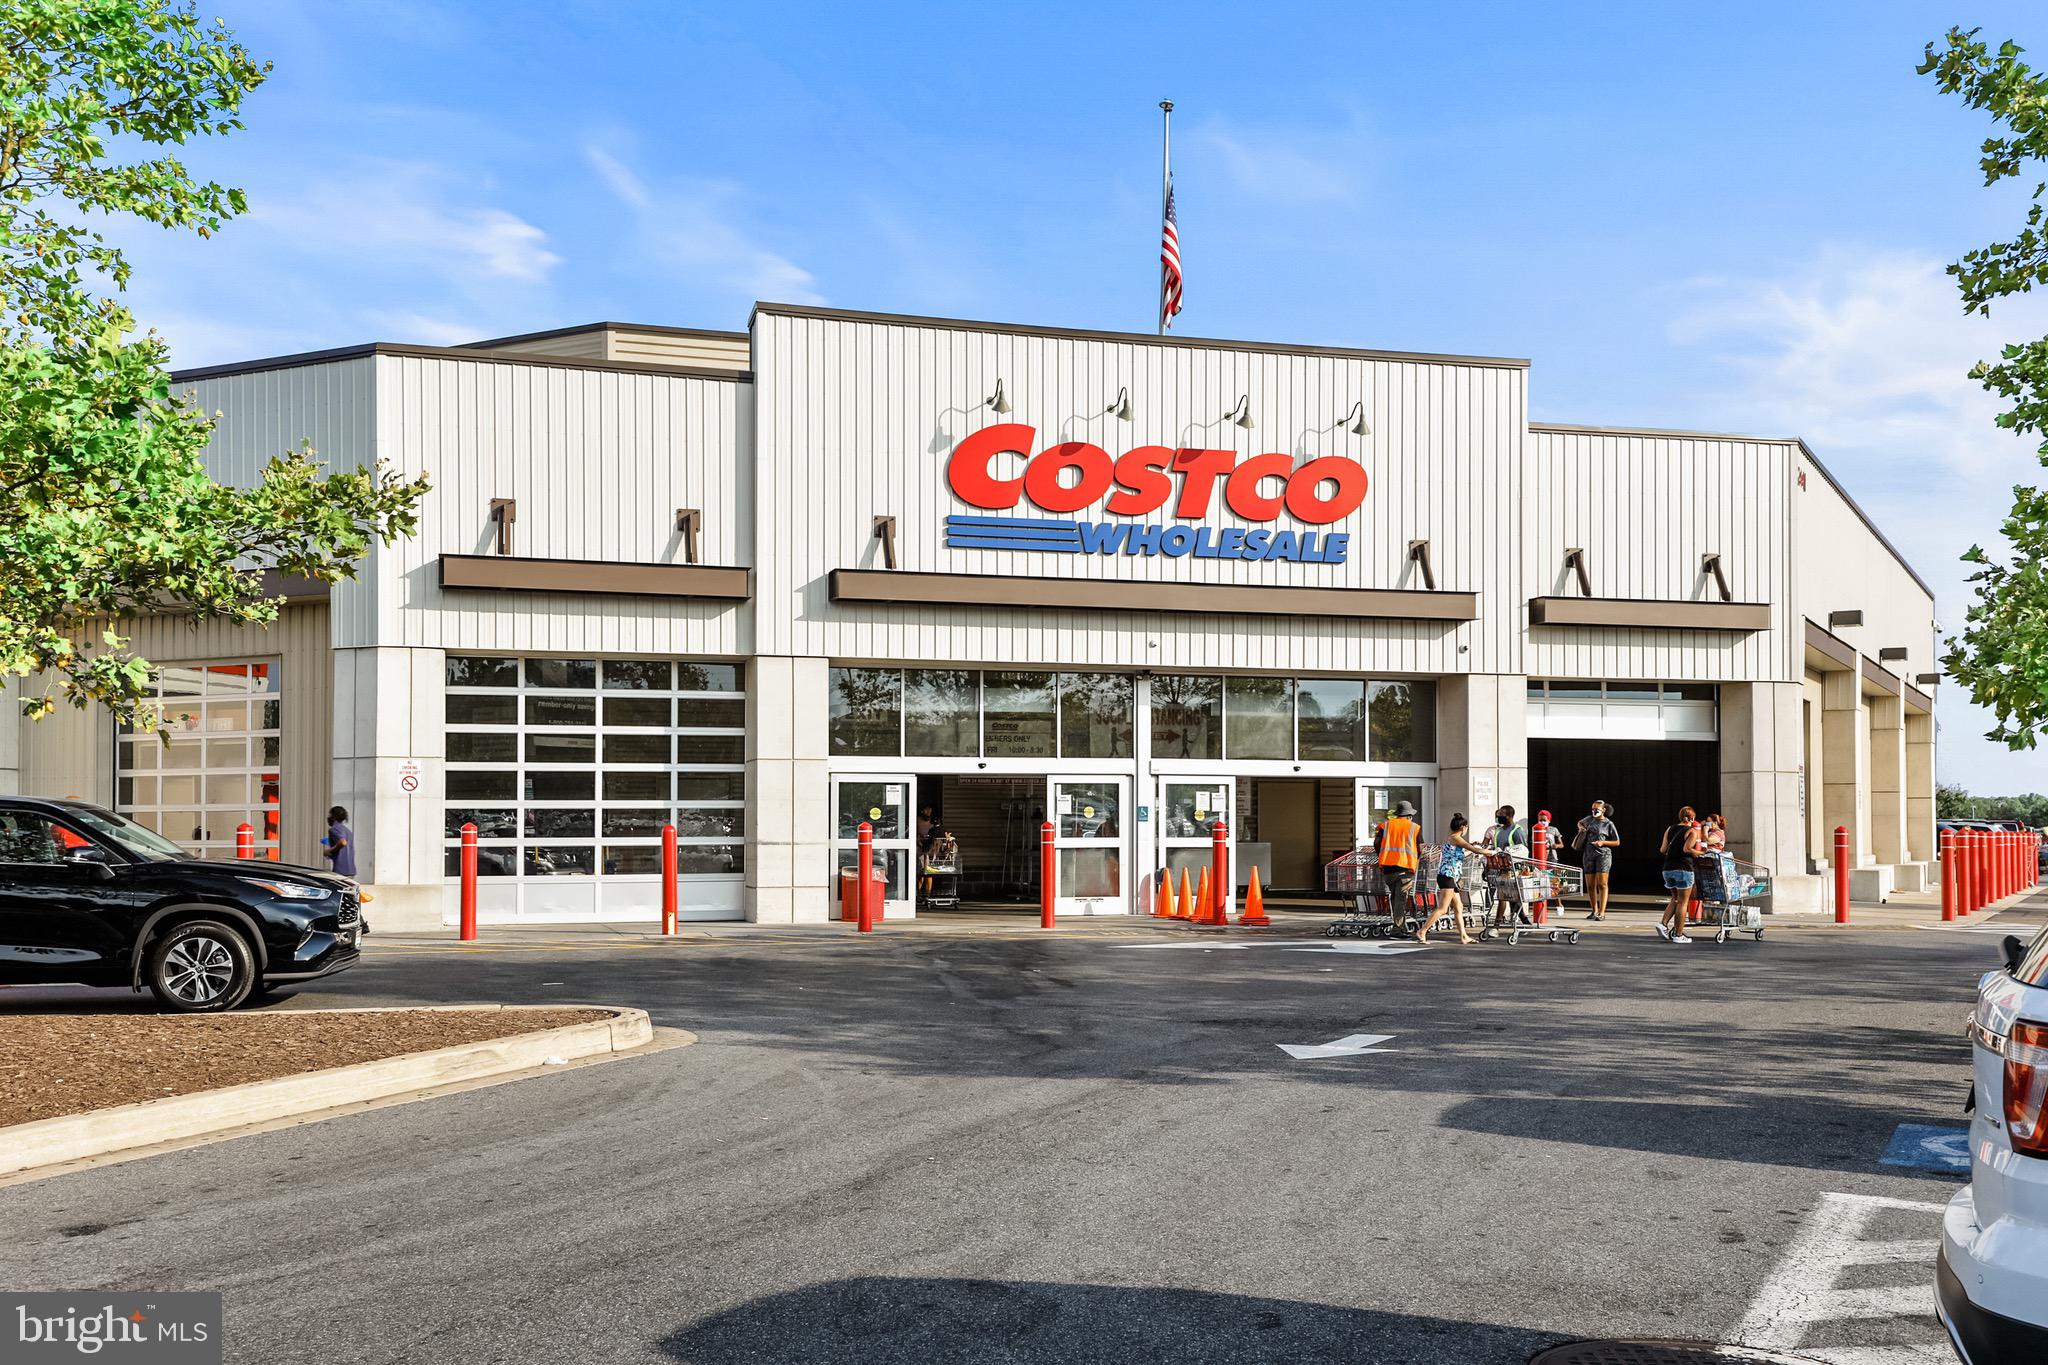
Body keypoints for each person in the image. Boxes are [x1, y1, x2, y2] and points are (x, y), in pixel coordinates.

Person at [1416, 813, 1485, 945]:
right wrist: (1490, 852)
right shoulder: (1455, 838)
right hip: (1447, 876)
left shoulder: (1453, 839)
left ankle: (1464, 936)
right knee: (1442, 908)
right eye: (1467, 827)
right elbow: (1474, 850)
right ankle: (1422, 931)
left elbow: (1464, 853)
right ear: (1463, 827)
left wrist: (1475, 849)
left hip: (1451, 877)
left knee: (1459, 907)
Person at [1657, 805, 1702, 943]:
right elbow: (1687, 849)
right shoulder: (1692, 831)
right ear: (1692, 818)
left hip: (1667, 869)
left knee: (1675, 899)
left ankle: (1663, 924)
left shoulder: (1669, 829)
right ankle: (1678, 934)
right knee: (1683, 902)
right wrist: (1701, 853)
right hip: (1683, 868)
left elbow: (1663, 849)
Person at [1376, 800, 1422, 931]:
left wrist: (1382, 856)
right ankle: (1398, 929)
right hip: (1405, 869)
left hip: (1388, 869)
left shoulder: (1385, 825)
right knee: (1400, 900)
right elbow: (1421, 848)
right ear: (1409, 815)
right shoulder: (1414, 827)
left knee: (1395, 898)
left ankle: (1398, 925)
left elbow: (1377, 843)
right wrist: (1416, 859)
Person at [1574, 799, 1620, 920]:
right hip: (1588, 855)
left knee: (1602, 884)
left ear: (1603, 810)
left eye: (1597, 809)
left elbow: (1617, 841)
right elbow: (1579, 822)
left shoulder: (1608, 824)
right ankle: (1594, 910)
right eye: (1593, 809)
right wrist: (1581, 828)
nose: (1594, 811)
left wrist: (1603, 842)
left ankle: (1602, 912)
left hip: (1603, 855)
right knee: (1590, 885)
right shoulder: (1589, 819)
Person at [322, 805, 356, 879]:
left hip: (341, 871)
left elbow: (343, 842)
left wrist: (329, 851)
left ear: (334, 817)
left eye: (329, 815)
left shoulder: (334, 829)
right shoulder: (347, 831)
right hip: (351, 870)